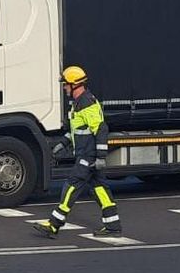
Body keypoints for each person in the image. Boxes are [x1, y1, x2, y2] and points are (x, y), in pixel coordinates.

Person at [34, 66, 122, 238]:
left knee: (71, 186)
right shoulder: (78, 103)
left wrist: (101, 157)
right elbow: (76, 130)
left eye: (66, 85)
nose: (64, 88)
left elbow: (101, 130)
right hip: (86, 154)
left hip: (88, 156)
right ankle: (113, 226)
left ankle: (54, 224)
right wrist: (62, 144)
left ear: (74, 85)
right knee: (99, 189)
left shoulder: (86, 102)